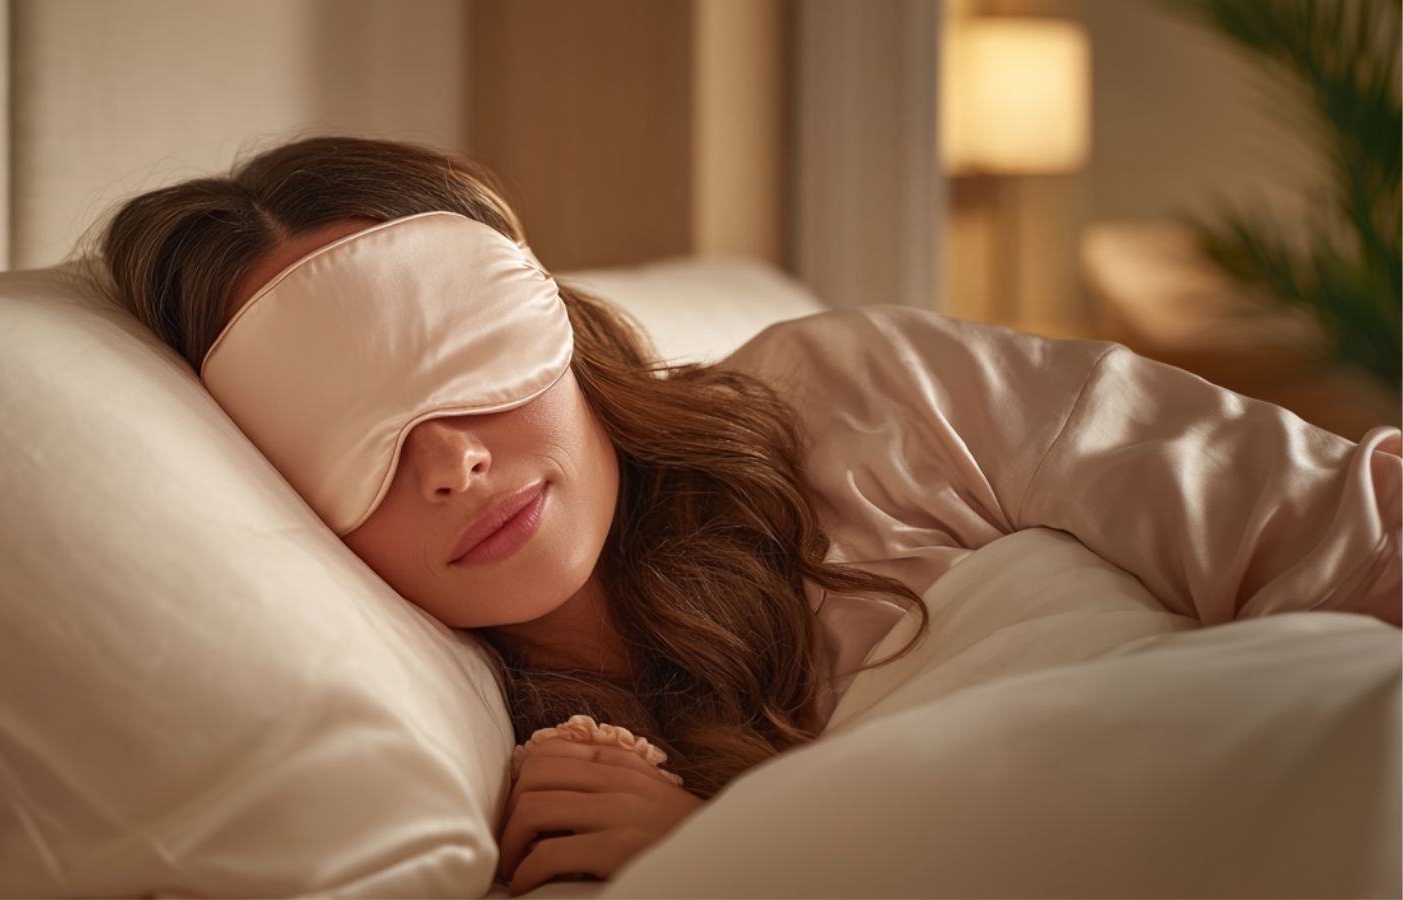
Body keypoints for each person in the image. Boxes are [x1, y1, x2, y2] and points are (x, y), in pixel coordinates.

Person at [87, 134, 1401, 896]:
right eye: (349, 430)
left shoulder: (855, 398)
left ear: (540, 308)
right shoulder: (502, 782)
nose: (449, 464)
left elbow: (1344, 536)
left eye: (450, 352)